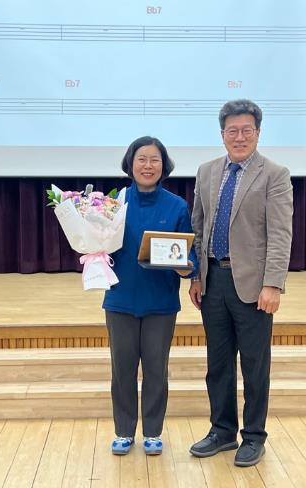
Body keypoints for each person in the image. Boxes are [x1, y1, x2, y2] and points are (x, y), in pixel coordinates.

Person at [188, 100, 293, 467]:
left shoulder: (275, 174)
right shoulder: (206, 172)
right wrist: (196, 275)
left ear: (258, 133)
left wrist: (273, 284)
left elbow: (280, 234)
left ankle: (253, 436)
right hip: (213, 281)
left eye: (247, 130)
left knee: (254, 365)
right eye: (232, 130)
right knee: (217, 364)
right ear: (222, 135)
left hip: (253, 285)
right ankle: (221, 431)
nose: (240, 137)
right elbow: (199, 226)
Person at [103, 136, 198, 456]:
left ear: (164, 165)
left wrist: (186, 268)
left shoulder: (177, 206)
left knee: (157, 370)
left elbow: (189, 255)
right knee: (122, 370)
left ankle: (153, 432)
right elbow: (100, 246)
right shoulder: (113, 204)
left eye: (154, 159)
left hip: (160, 302)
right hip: (120, 299)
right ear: (130, 164)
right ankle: (123, 431)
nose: (148, 165)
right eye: (141, 159)